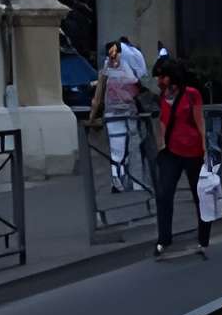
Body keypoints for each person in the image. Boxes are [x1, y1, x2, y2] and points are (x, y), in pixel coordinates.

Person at [154, 58, 212, 258]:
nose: (159, 80)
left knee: (200, 196)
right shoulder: (163, 97)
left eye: (163, 76)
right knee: (163, 194)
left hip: (194, 152)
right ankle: (164, 238)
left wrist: (206, 148)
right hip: (171, 152)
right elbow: (163, 122)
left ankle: (203, 237)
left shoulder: (191, 95)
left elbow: (200, 121)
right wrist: (161, 146)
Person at [91, 39, 141, 193]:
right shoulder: (130, 67)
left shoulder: (106, 69)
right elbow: (136, 87)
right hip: (129, 112)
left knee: (116, 148)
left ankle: (117, 178)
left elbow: (99, 95)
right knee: (130, 147)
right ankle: (129, 179)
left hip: (112, 112)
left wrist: (93, 114)